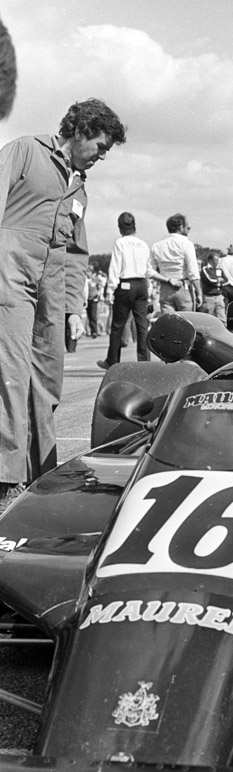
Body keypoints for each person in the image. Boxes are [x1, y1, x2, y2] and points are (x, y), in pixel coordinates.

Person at [0, 98, 126, 513]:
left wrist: (74, 309)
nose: (104, 154)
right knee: (12, 374)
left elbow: (76, 255)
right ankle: (7, 477)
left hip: (51, 287)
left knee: (47, 380)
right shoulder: (25, 150)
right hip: (10, 273)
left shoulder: (80, 190)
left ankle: (41, 474)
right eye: (102, 144)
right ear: (81, 130)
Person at [97, 212, 151, 370]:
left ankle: (112, 360)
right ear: (134, 226)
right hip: (141, 284)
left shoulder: (120, 243)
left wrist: (110, 289)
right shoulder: (143, 244)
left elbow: (115, 267)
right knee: (142, 324)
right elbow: (147, 268)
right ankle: (144, 360)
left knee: (118, 324)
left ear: (120, 227)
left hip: (126, 284)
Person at [148, 213, 202, 313]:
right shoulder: (186, 244)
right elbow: (193, 272)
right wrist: (199, 292)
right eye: (187, 227)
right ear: (181, 227)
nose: (188, 229)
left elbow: (149, 271)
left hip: (165, 288)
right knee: (187, 323)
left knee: (169, 325)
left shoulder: (157, 246)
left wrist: (168, 280)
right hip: (183, 287)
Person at [199, 251, 228, 322]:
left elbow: (226, 280)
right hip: (209, 298)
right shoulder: (205, 269)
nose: (217, 262)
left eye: (218, 260)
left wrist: (219, 283)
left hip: (219, 296)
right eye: (216, 260)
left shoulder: (219, 270)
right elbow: (210, 280)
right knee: (208, 319)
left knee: (222, 318)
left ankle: (223, 331)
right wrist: (218, 280)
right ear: (210, 260)